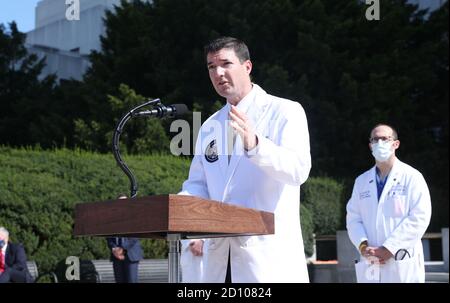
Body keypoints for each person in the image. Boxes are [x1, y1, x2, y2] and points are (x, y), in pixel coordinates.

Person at [178, 37, 311, 283]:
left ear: (247, 67)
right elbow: (198, 185)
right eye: (211, 67)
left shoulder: (285, 111)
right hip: (219, 259)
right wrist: (178, 211)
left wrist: (256, 145)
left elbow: (298, 171)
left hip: (266, 260)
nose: (218, 73)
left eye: (226, 63)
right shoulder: (210, 125)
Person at [346, 124, 432, 283]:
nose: (379, 143)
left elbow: (419, 217)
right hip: (370, 261)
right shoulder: (361, 181)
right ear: (370, 145)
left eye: (384, 138)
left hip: (401, 259)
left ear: (396, 144)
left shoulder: (412, 177)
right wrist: (363, 247)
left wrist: (389, 248)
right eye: (375, 139)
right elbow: (353, 218)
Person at [106, 194, 144, 283]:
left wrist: (122, 249)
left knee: (132, 281)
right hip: (116, 256)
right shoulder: (112, 219)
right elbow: (108, 236)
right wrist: (114, 248)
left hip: (131, 255)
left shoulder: (134, 217)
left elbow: (135, 236)